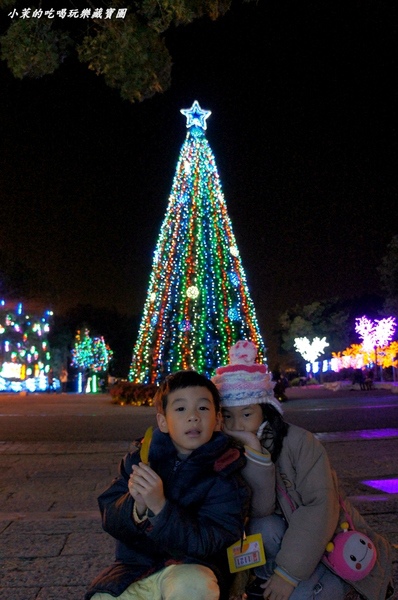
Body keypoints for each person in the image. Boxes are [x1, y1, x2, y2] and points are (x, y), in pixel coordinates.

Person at [212, 340, 394, 600]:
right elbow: (261, 510)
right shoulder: (230, 450)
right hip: (289, 542)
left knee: (300, 594)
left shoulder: (299, 443)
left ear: (265, 410)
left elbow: (320, 506)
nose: (237, 424)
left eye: (246, 414)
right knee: (263, 525)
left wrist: (288, 574)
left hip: (331, 543)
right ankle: (272, 579)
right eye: (228, 416)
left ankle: (328, 585)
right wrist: (254, 451)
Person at [85, 370, 251, 600]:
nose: (193, 416)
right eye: (181, 409)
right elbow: (110, 514)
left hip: (192, 569)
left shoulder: (225, 474)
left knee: (193, 588)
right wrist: (137, 507)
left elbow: (210, 540)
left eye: (203, 408)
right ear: (163, 421)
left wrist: (161, 509)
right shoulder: (141, 459)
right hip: (137, 570)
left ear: (218, 420)